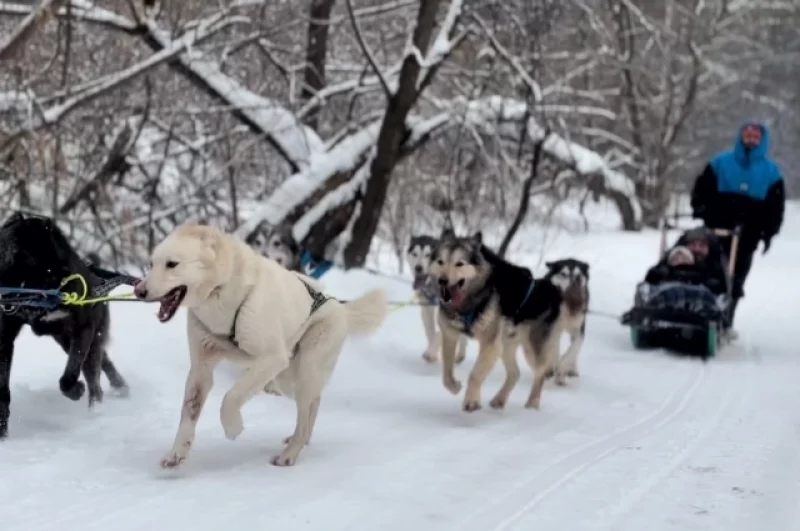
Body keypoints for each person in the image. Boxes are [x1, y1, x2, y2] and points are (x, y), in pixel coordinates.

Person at [690, 120, 785, 326]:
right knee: (707, 267)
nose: (750, 141)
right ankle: (697, 307)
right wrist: (700, 208)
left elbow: (775, 207)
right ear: (740, 137)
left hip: (748, 233)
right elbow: (702, 188)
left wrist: (769, 232)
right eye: (747, 136)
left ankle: (727, 315)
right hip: (717, 227)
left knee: (736, 277)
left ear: (762, 141)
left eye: (755, 138)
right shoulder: (721, 162)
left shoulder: (771, 172)